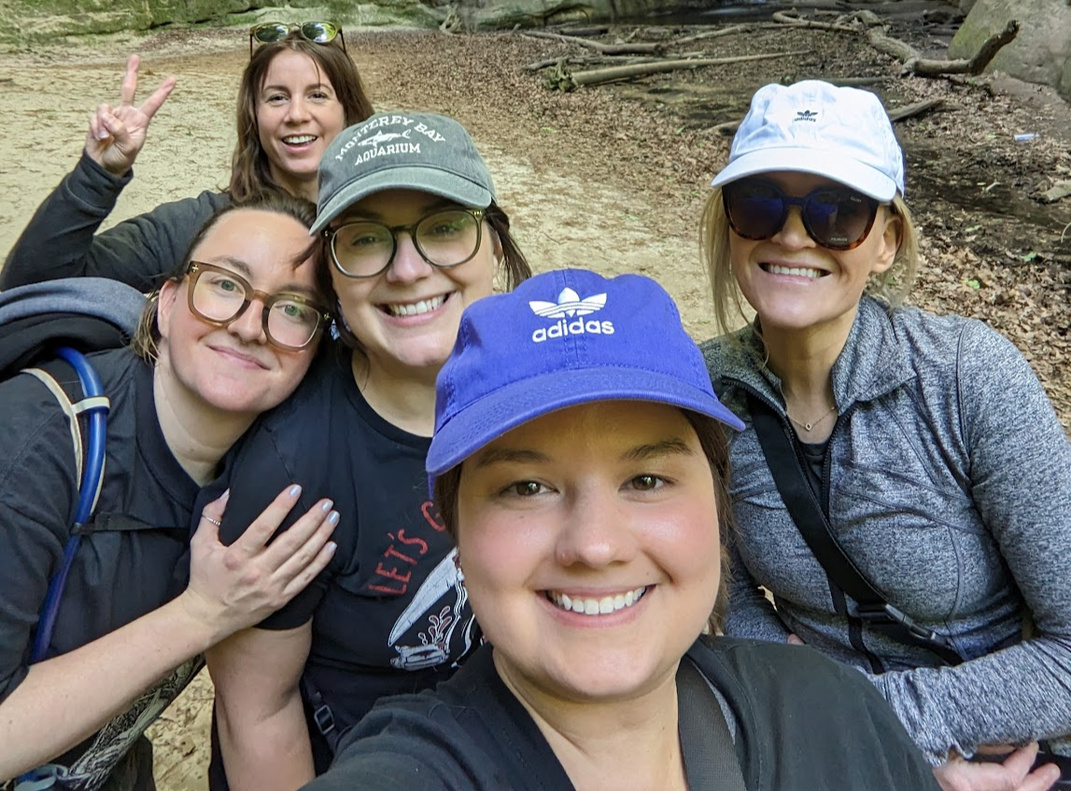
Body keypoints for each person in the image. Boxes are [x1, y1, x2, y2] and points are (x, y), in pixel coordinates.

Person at [297, 267, 943, 791]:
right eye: (526, 488)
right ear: (456, 536)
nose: (596, 545)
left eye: (646, 480)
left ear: (718, 505)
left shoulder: (833, 716)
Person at [699, 80, 1071, 791]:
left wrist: (873, 723)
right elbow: (729, 598)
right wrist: (852, 737)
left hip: (1011, 757)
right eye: (759, 202)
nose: (791, 234)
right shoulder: (705, 395)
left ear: (886, 241)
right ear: (731, 225)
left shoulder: (966, 378)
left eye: (836, 211)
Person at [203, 111, 532, 791]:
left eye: (443, 226)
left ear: (492, 244)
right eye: (365, 239)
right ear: (330, 272)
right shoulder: (293, 469)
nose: (408, 269)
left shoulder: (547, 394)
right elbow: (256, 711)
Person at [0, 193, 342, 791]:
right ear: (166, 302)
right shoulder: (36, 440)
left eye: (292, 309)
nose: (248, 325)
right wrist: (203, 615)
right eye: (225, 284)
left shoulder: (269, 480)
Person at [0, 22, 373, 293]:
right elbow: (30, 287)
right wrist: (97, 174)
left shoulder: (386, 215)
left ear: (349, 112)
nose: (296, 114)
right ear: (254, 117)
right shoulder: (202, 225)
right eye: (276, 97)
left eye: (317, 95)